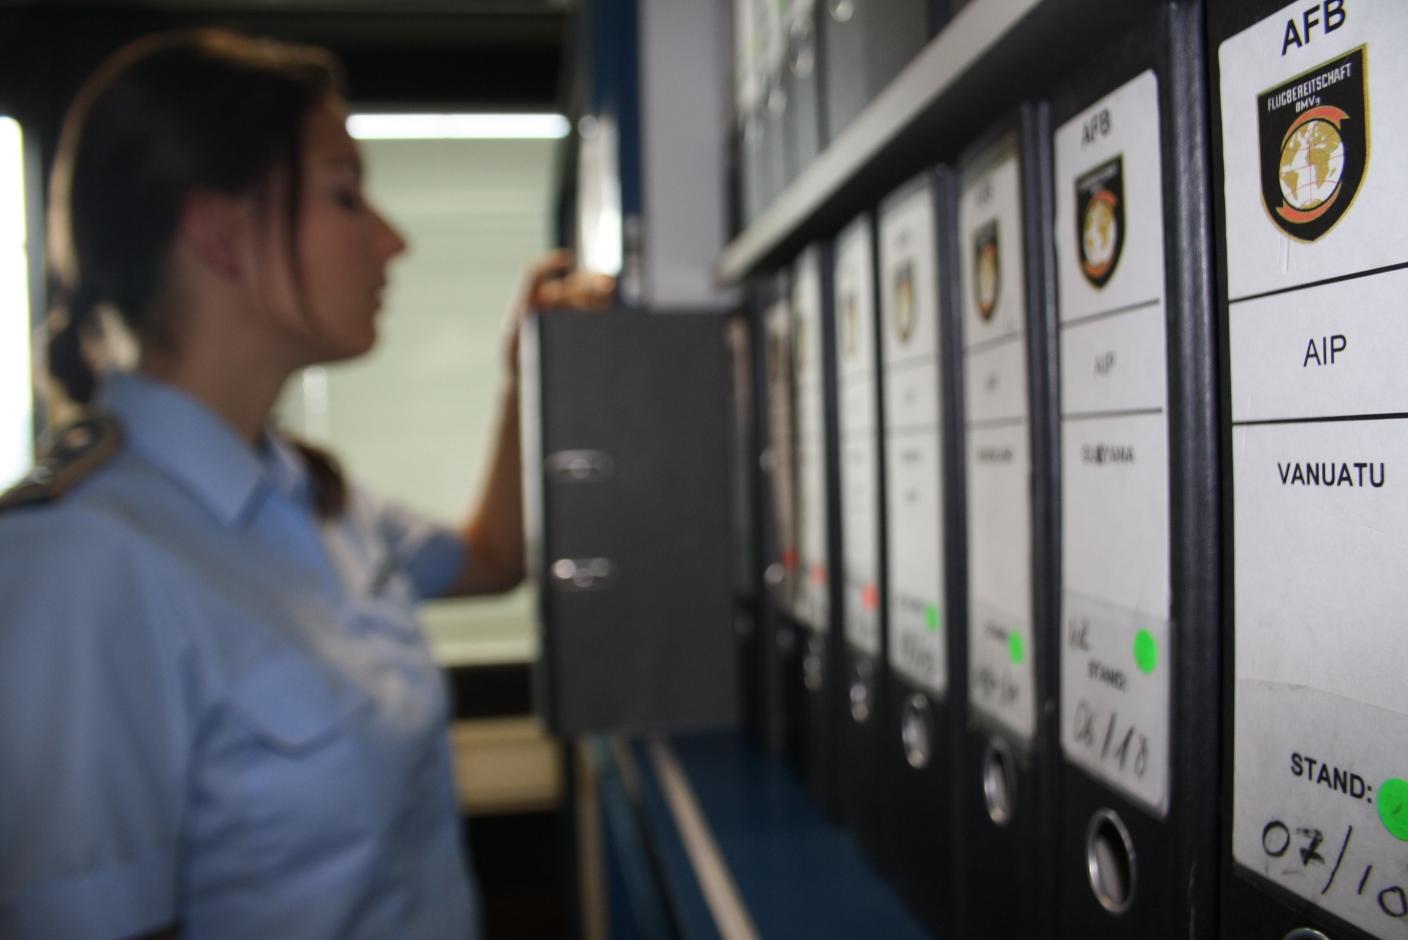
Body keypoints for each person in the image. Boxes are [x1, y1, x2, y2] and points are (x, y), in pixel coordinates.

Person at [0, 28, 611, 940]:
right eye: (344, 194)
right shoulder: (77, 562)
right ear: (218, 233)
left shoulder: (313, 497)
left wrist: (528, 375)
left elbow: (489, 558)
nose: (391, 239)